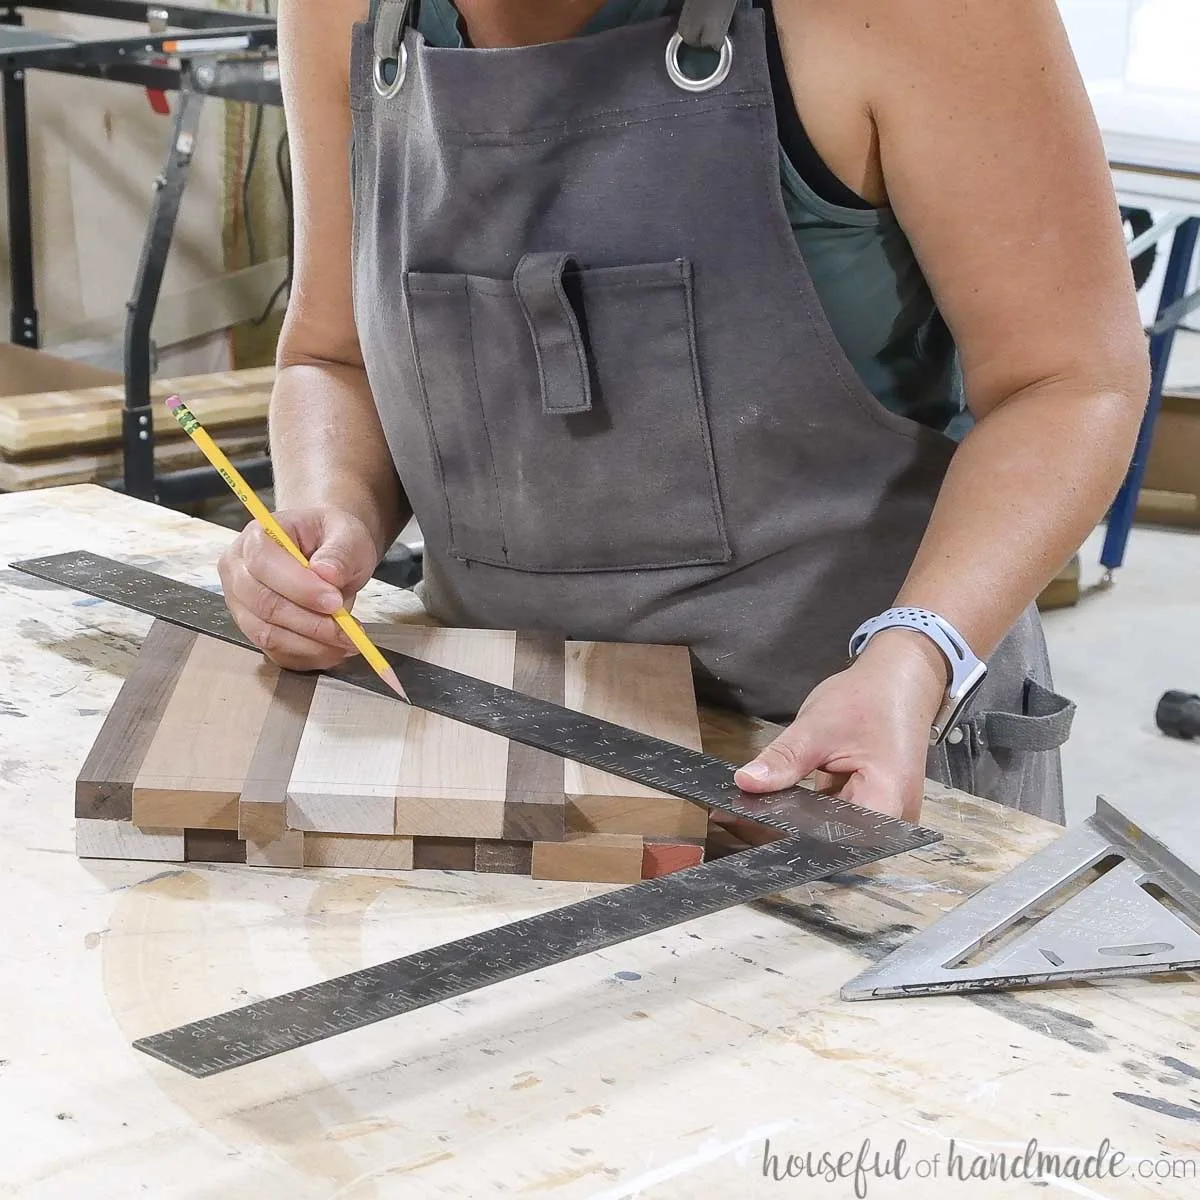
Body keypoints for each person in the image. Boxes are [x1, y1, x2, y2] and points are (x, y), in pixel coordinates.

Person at [219, 0, 1149, 825]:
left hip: (838, 758)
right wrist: (331, 515)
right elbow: (330, 353)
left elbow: (1070, 382)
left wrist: (916, 655)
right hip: (490, 739)